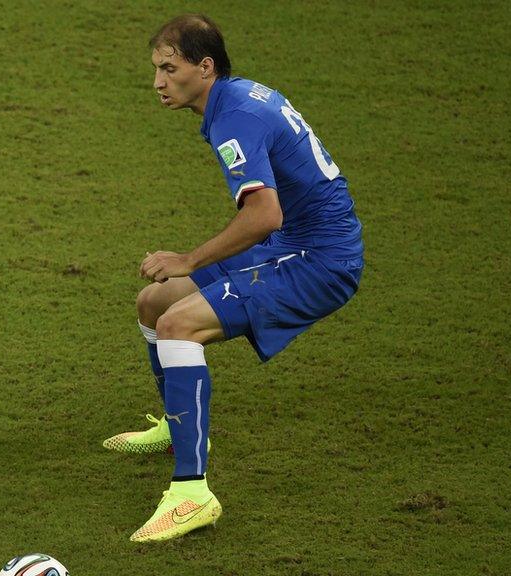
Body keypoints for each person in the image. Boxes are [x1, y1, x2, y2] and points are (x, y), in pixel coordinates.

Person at [103, 14, 364, 542]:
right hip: (293, 244)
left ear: (205, 67)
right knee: (154, 303)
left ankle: (191, 494)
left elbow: (265, 214)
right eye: (156, 69)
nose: (158, 82)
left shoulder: (234, 117)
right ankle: (178, 431)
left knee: (178, 324)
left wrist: (190, 259)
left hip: (319, 260)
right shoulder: (241, 98)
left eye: (168, 69)